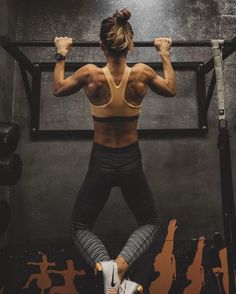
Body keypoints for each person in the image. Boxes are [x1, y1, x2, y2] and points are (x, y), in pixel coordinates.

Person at [53, 8, 176, 294]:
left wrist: (62, 52)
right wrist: (164, 52)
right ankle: (120, 266)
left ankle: (109, 267)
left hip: (102, 161)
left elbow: (58, 89)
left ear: (101, 45)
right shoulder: (142, 74)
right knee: (150, 223)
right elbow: (171, 88)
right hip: (132, 160)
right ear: (130, 45)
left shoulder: (90, 74)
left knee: (80, 228)